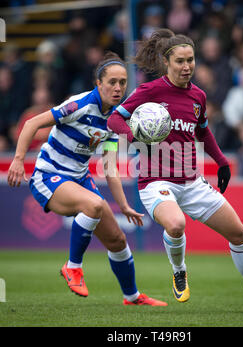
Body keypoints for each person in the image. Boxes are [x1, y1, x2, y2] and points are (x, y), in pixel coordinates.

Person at [107, 28, 243, 310]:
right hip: (156, 181)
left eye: (191, 60)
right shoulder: (150, 90)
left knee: (240, 234)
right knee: (176, 224)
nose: (187, 67)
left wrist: (221, 162)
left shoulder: (198, 96)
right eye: (180, 61)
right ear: (167, 63)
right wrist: (135, 136)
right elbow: (114, 120)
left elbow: (204, 134)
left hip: (192, 182)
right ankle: (179, 271)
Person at [7, 52, 167, 307]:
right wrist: (18, 159)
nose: (117, 88)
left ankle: (132, 297)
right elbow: (31, 124)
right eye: (112, 82)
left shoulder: (115, 120)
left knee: (117, 239)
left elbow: (109, 168)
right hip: (48, 176)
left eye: (122, 82)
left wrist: (124, 206)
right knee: (93, 205)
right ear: (98, 83)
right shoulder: (78, 105)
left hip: (79, 179)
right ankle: (73, 268)